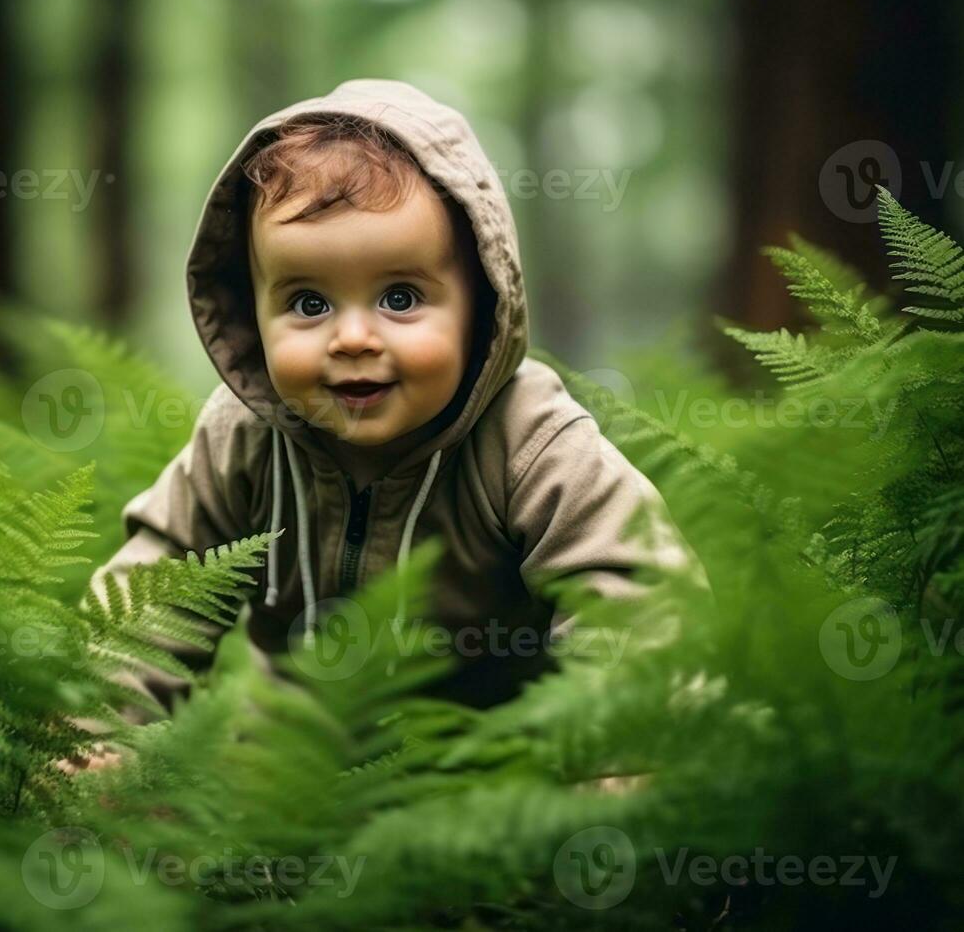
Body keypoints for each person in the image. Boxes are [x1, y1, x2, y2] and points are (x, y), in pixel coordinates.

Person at [83, 78, 693, 735]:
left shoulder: (530, 440)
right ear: (250, 313)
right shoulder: (244, 439)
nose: (351, 339)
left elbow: (630, 590)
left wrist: (617, 739)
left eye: (399, 298)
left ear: (479, 306)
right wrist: (100, 738)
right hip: (291, 770)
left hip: (495, 772)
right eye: (308, 303)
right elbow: (152, 601)